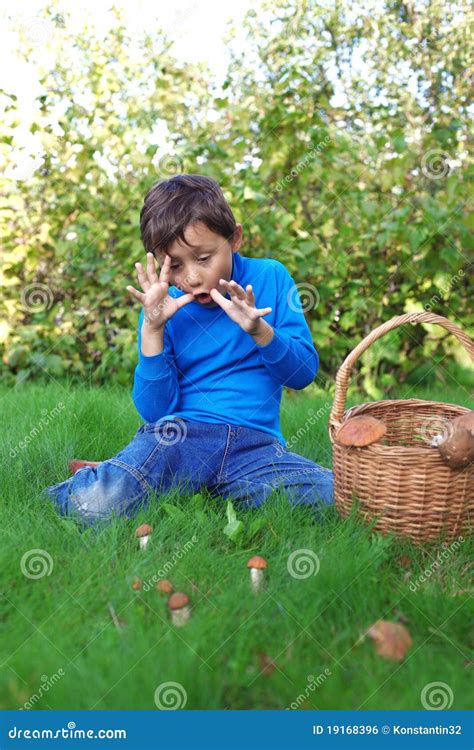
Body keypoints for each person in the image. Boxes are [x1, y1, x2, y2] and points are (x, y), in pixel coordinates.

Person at [42, 174, 333, 525]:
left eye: (205, 257)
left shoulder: (270, 276)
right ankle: (107, 477)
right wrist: (153, 328)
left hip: (255, 448)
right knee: (96, 504)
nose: (192, 278)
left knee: (335, 499)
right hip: (178, 440)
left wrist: (261, 331)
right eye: (175, 265)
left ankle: (156, 478)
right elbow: (154, 410)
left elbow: (302, 375)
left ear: (235, 238)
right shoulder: (160, 306)